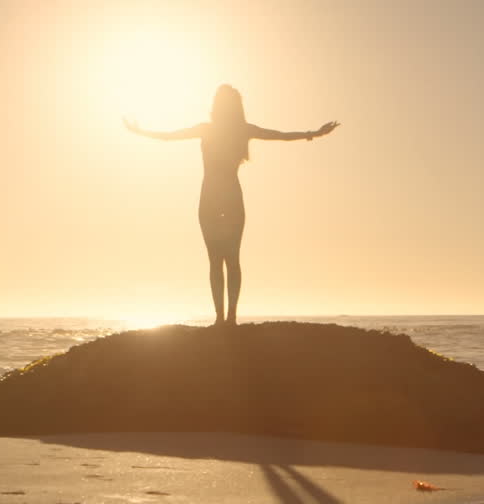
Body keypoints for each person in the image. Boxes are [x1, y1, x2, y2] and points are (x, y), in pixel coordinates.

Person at [124, 84, 339, 326]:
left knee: (223, 260)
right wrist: (139, 131)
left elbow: (279, 135)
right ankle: (225, 319)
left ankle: (226, 319)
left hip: (216, 198)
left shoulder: (222, 129)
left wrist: (314, 133)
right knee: (224, 260)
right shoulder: (233, 129)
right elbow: (171, 136)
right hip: (220, 199)